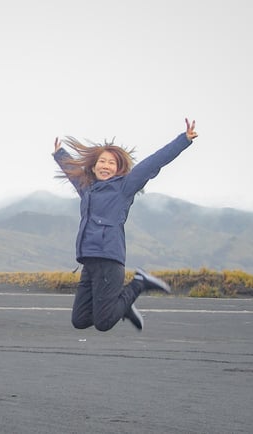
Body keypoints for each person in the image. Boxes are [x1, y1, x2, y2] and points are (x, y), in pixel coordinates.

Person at [52, 118, 199, 332]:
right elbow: (72, 176)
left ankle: (140, 282)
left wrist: (183, 140)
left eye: (112, 163)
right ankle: (123, 305)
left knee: (103, 324)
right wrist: (60, 155)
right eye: (102, 162)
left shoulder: (124, 188)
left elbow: (153, 163)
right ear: (94, 166)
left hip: (109, 260)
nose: (106, 166)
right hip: (89, 262)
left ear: (118, 169)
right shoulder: (88, 189)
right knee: (80, 320)